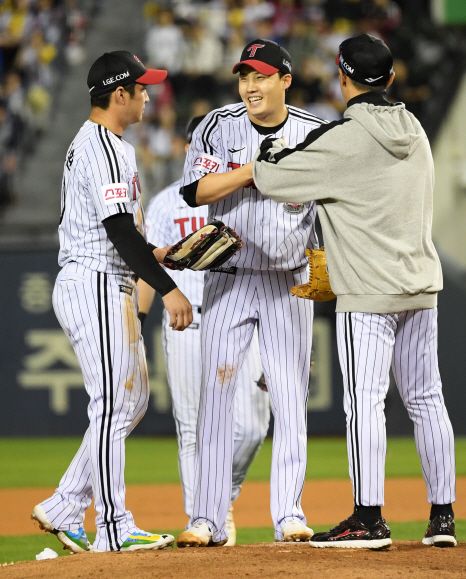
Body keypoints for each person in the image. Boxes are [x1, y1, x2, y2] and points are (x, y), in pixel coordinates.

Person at [253, 34, 457, 550]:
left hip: (368, 293)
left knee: (365, 402)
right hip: (420, 285)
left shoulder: (343, 138)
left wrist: (273, 149)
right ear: (390, 78)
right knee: (427, 399)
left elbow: (274, 179)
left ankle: (368, 518)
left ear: (343, 80)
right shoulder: (416, 129)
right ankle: (444, 519)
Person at [32, 51, 193, 553]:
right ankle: (114, 526)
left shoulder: (107, 144)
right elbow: (118, 230)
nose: (150, 94)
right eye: (142, 87)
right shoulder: (103, 146)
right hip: (94, 281)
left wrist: (159, 253)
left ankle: (63, 505)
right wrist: (167, 288)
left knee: (130, 401)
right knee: (111, 404)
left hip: (109, 277)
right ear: (119, 94)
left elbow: (123, 233)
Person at [175, 39, 326, 548]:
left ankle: (289, 514)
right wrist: (257, 172)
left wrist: (322, 273)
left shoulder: (314, 132)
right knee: (215, 399)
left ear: (285, 79)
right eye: (244, 76)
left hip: (288, 282)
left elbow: (331, 209)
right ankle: (207, 519)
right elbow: (195, 192)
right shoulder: (218, 125)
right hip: (230, 279)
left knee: (289, 399)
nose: (250, 86)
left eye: (261, 76)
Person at [137, 116, 270, 546]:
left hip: (238, 316)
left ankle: (220, 498)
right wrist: (135, 329)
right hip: (186, 321)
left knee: (251, 425)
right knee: (192, 426)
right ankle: (203, 519)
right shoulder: (164, 203)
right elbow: (145, 268)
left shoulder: (246, 197)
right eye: (200, 141)